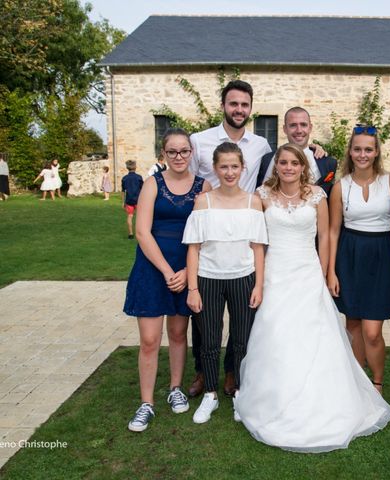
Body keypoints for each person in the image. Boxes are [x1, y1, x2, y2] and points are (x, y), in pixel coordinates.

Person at [234, 143, 390, 452]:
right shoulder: (262, 197)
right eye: (282, 162)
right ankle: (275, 398)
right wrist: (259, 281)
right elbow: (257, 241)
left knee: (315, 334)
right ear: (276, 166)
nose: (288, 168)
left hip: (308, 272)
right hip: (276, 274)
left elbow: (325, 236)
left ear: (302, 167)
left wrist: (324, 275)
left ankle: (325, 399)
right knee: (277, 336)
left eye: (294, 163)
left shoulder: (318, 196)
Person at [187, 80, 271, 398]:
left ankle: (233, 374)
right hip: (209, 228)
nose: (239, 109)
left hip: (243, 233)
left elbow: (286, 164)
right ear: (223, 105)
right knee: (204, 321)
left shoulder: (261, 145)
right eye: (233, 103)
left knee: (241, 323)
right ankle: (201, 372)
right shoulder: (201, 140)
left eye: (244, 105)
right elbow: (190, 178)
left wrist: (315, 149)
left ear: (250, 108)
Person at [123, 128, 210, 432]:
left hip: (187, 266)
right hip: (153, 268)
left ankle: (175, 387)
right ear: (163, 154)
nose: (178, 157)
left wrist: (188, 272)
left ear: (192, 153)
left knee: (177, 333)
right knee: (149, 340)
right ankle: (146, 403)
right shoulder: (152, 184)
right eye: (172, 151)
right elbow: (143, 232)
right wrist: (165, 271)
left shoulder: (204, 187)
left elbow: (206, 234)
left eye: (184, 151)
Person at [183, 142, 267, 424]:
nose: (229, 172)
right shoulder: (203, 202)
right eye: (224, 167)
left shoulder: (252, 202)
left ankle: (240, 394)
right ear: (215, 169)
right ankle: (210, 394)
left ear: (242, 168)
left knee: (242, 340)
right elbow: (193, 248)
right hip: (208, 278)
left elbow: (257, 248)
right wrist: (192, 289)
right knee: (209, 339)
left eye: (234, 166)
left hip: (244, 278)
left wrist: (258, 285)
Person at [327, 125, 390, 394]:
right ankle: (359, 379)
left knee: (373, 330)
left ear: (376, 151)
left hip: (380, 260)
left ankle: (377, 382)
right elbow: (334, 231)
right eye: (357, 149)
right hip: (349, 258)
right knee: (353, 324)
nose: (362, 154)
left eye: (368, 149)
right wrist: (331, 272)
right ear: (350, 151)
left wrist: (383, 240)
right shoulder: (340, 187)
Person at [256, 106, 337, 195]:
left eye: (303, 125)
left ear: (310, 128)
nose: (299, 130)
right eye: (293, 125)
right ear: (285, 129)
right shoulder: (266, 160)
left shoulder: (328, 163)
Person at [121, 160, 144, 239]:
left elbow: (123, 191)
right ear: (135, 167)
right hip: (138, 200)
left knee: (130, 216)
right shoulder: (139, 177)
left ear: (127, 168)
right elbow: (143, 189)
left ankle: (131, 233)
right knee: (140, 216)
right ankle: (140, 232)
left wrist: (123, 202)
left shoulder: (124, 178)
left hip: (129, 200)